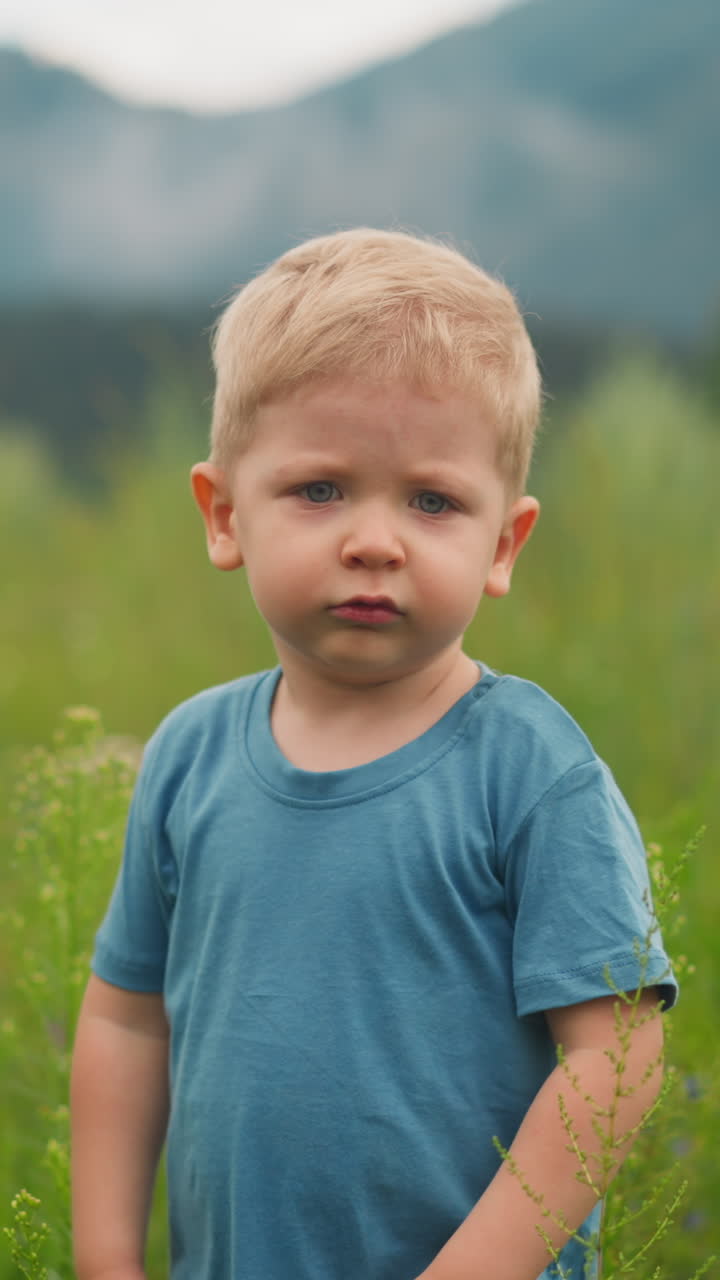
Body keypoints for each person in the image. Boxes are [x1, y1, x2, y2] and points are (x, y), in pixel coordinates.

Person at [70, 228, 676, 1280]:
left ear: (503, 545)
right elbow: (127, 1022)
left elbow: (615, 1056)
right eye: (320, 489)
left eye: (432, 501)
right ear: (223, 515)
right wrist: (108, 1255)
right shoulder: (188, 755)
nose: (376, 539)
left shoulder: (529, 770)